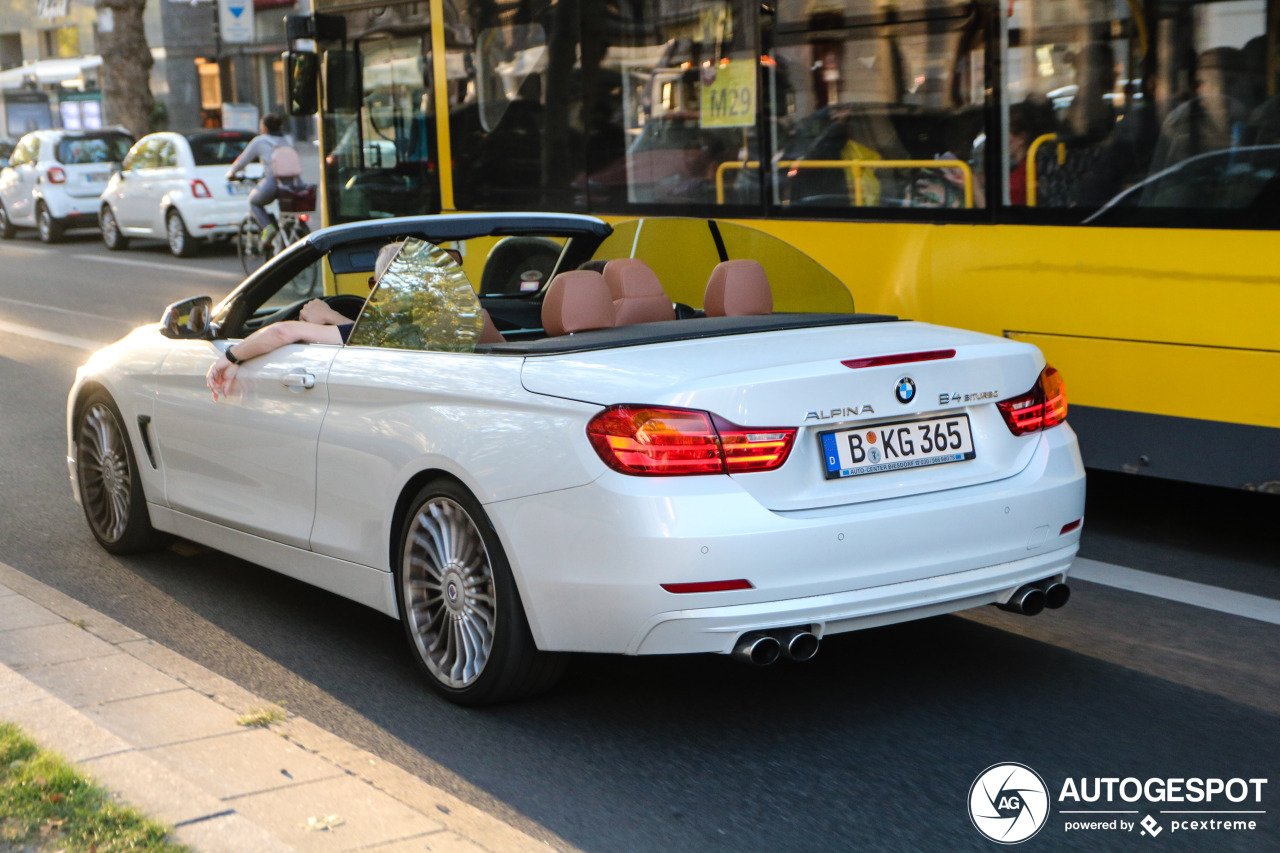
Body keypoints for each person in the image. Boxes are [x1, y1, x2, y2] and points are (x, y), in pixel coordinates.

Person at [207, 242, 403, 399]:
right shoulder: (419, 328)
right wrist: (331, 317)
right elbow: (353, 335)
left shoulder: (379, 333)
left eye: (375, 284)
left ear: (384, 286)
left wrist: (229, 357)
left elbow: (281, 333)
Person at [225, 113, 301, 247]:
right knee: (289, 214)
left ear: (264, 127)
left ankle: (268, 228)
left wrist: (231, 173)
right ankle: (287, 237)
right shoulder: (288, 140)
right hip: (295, 183)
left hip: (273, 182)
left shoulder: (260, 141)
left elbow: (242, 161)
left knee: (253, 201)